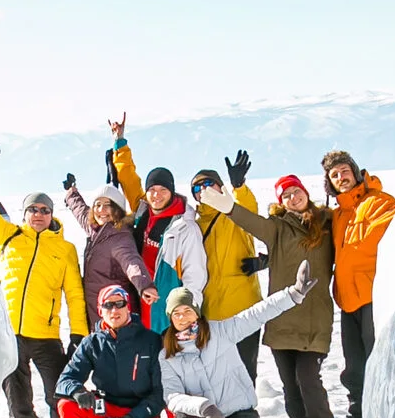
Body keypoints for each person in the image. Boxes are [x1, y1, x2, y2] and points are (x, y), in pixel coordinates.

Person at [199, 172, 337, 418]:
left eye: (296, 192)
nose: (293, 198)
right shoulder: (277, 228)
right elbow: (250, 222)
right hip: (282, 319)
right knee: (290, 388)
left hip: (314, 319)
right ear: (280, 202)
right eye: (285, 195)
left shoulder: (326, 224)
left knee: (309, 383)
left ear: (306, 193)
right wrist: (228, 205)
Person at [159, 278, 335, 418]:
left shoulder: (220, 332)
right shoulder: (168, 355)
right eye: (176, 313)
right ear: (170, 318)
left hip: (238, 414)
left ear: (197, 311)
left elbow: (256, 314)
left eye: (187, 310)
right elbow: (172, 396)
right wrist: (205, 407)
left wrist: (292, 294)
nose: (182, 317)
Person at [0, 144, 87, 418]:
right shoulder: (8, 237)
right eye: (33, 209)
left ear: (51, 215)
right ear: (24, 213)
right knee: (17, 399)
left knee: (59, 394)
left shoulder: (65, 249)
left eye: (44, 210)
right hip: (10, 333)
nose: (38, 215)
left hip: (46, 335)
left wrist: (78, 333)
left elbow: (74, 294)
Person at [322, 151, 395, 418]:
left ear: (356, 172)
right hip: (347, 301)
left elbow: (393, 244)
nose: (341, 178)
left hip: (374, 298)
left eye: (344, 171)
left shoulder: (381, 203)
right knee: (355, 373)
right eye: (334, 175)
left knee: (381, 367)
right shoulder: (338, 215)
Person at [57, 284, 171, 418]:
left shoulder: (151, 341)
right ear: (100, 310)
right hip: (106, 407)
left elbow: (161, 391)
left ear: (129, 307)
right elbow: (66, 379)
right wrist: (77, 391)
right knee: (67, 406)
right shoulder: (91, 342)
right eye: (108, 305)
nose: (114, 310)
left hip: (140, 409)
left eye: (119, 304)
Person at [107, 116, 205, 326]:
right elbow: (128, 178)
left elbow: (195, 274)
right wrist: (119, 142)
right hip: (140, 297)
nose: (156, 195)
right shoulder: (143, 210)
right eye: (152, 190)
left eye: (162, 190)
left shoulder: (185, 226)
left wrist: (188, 313)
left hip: (168, 307)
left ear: (171, 191)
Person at [190, 150, 263, 381]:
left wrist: (239, 186)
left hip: (244, 309)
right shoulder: (192, 224)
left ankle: (248, 417)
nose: (204, 190)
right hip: (211, 314)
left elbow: (249, 209)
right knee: (216, 377)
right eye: (197, 188)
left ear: (221, 187)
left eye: (209, 184)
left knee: (245, 374)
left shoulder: (234, 214)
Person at [62, 171, 157, 325]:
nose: (101, 210)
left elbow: (132, 262)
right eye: (97, 205)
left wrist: (145, 285)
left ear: (118, 209)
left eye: (108, 205)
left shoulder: (121, 237)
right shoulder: (95, 228)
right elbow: (80, 210)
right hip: (98, 314)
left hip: (116, 315)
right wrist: (71, 192)